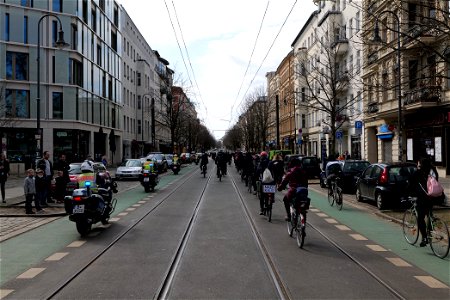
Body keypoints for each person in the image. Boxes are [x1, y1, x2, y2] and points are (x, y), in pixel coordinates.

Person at [409, 157, 439, 247]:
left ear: (421, 164)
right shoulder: (433, 171)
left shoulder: (418, 173)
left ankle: (425, 237)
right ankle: (430, 233)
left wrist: (409, 194)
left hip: (422, 198)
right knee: (429, 214)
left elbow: (411, 185)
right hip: (433, 197)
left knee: (420, 218)